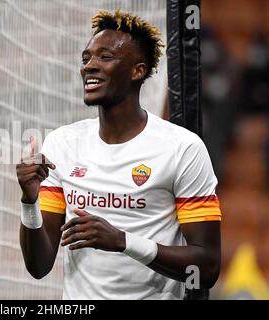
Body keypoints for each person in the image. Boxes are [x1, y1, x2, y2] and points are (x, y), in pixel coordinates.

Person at [16, 9, 221, 300]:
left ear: (138, 70)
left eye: (105, 57)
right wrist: (29, 201)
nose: (90, 66)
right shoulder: (62, 144)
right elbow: (38, 266)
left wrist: (124, 242)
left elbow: (208, 268)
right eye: (86, 58)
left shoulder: (182, 148)